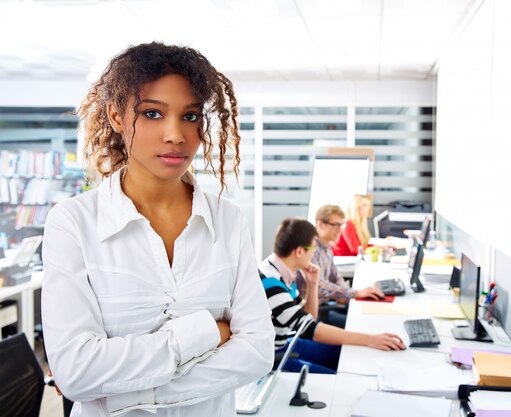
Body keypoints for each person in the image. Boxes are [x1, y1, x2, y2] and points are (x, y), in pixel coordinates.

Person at [41, 42, 274, 417]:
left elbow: (258, 353)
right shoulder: (73, 222)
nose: (175, 135)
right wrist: (209, 333)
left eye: (190, 116)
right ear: (117, 117)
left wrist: (126, 396)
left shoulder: (227, 219)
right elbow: (76, 372)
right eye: (152, 113)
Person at [259, 218, 405, 374]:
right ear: (300, 251)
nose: (314, 254)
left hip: (288, 344)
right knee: (340, 376)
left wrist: (312, 284)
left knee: (348, 353)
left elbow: (308, 319)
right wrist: (371, 339)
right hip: (274, 358)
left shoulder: (281, 270)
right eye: (313, 249)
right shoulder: (271, 283)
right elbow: (309, 329)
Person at [296, 205, 384, 328]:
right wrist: (352, 293)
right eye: (335, 225)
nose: (340, 230)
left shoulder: (327, 247)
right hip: (315, 312)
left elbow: (335, 276)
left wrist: (347, 295)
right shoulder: (311, 249)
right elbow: (319, 286)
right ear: (320, 224)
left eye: (341, 225)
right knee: (362, 325)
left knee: (371, 316)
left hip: (327, 305)